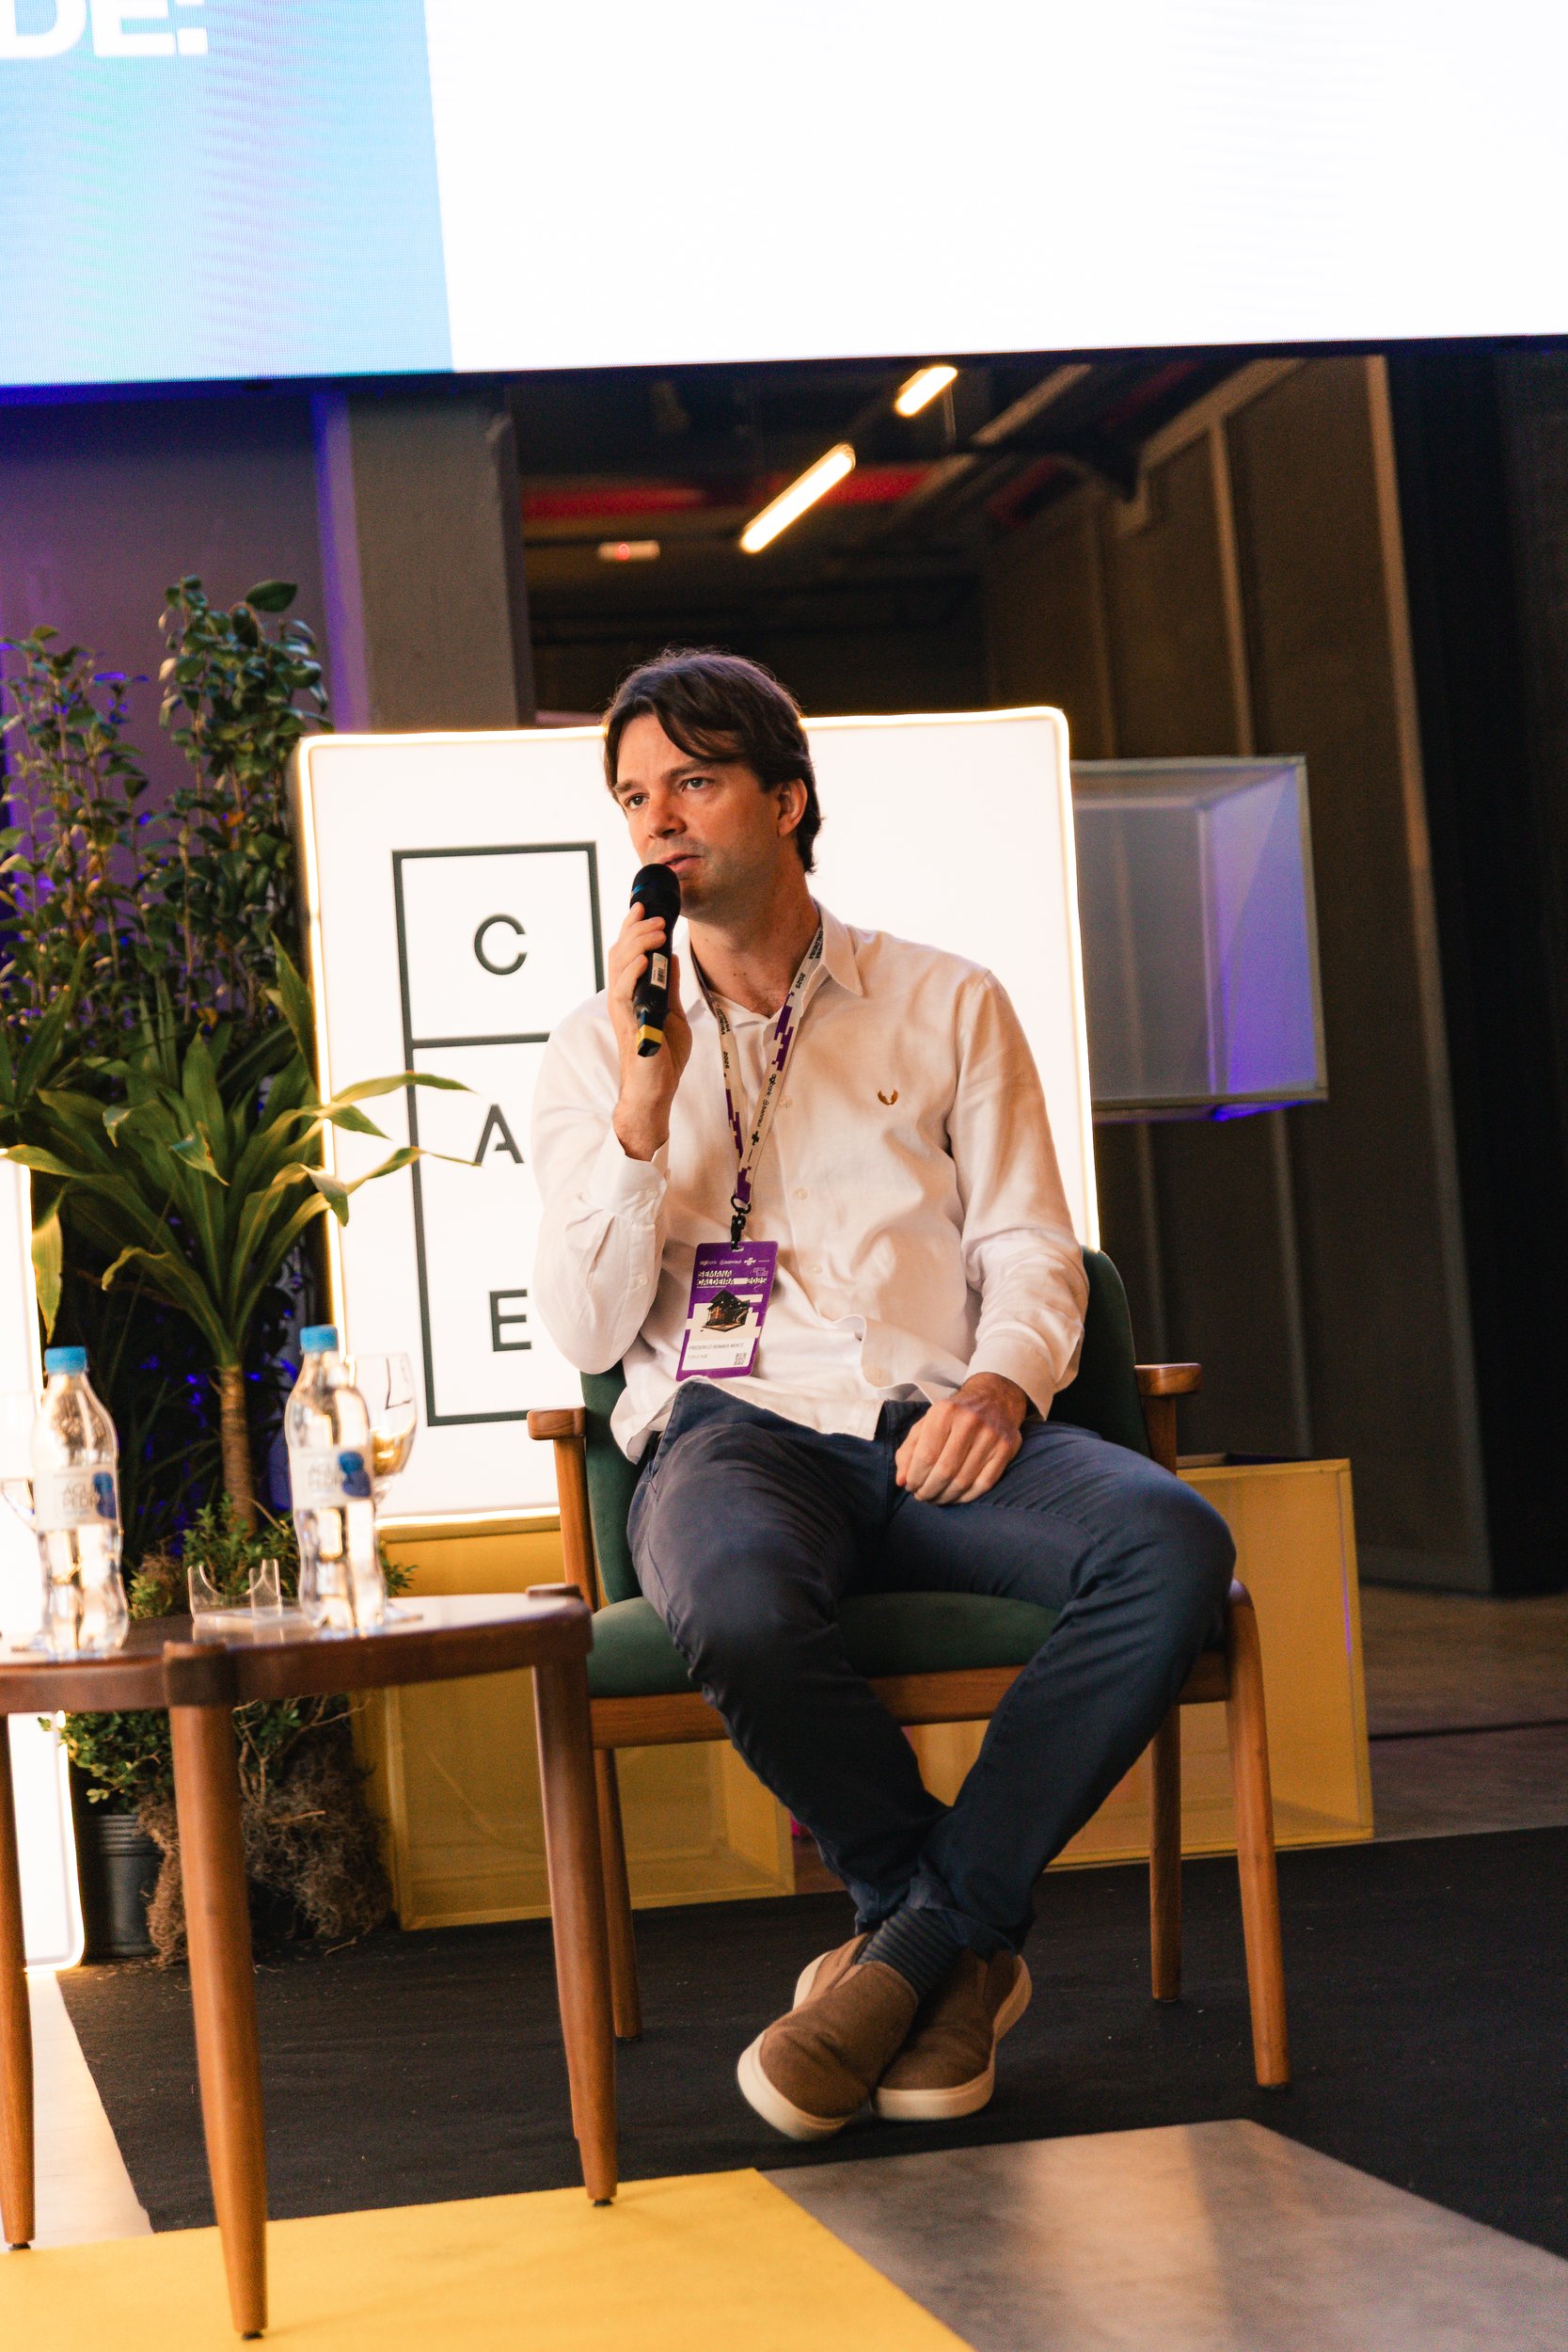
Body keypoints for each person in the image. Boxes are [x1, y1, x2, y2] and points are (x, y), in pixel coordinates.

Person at [531, 648, 1234, 2142]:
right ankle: (947, 1940)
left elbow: (1032, 1244)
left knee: (1170, 1543)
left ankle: (910, 1947)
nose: (658, 822)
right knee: (730, 1603)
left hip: (938, 1428)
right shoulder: (596, 1054)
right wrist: (644, 1111)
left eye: (694, 783)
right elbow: (586, 1328)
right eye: (635, 798)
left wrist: (1002, 1384)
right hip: (733, 1440)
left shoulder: (946, 1000)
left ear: (788, 800)